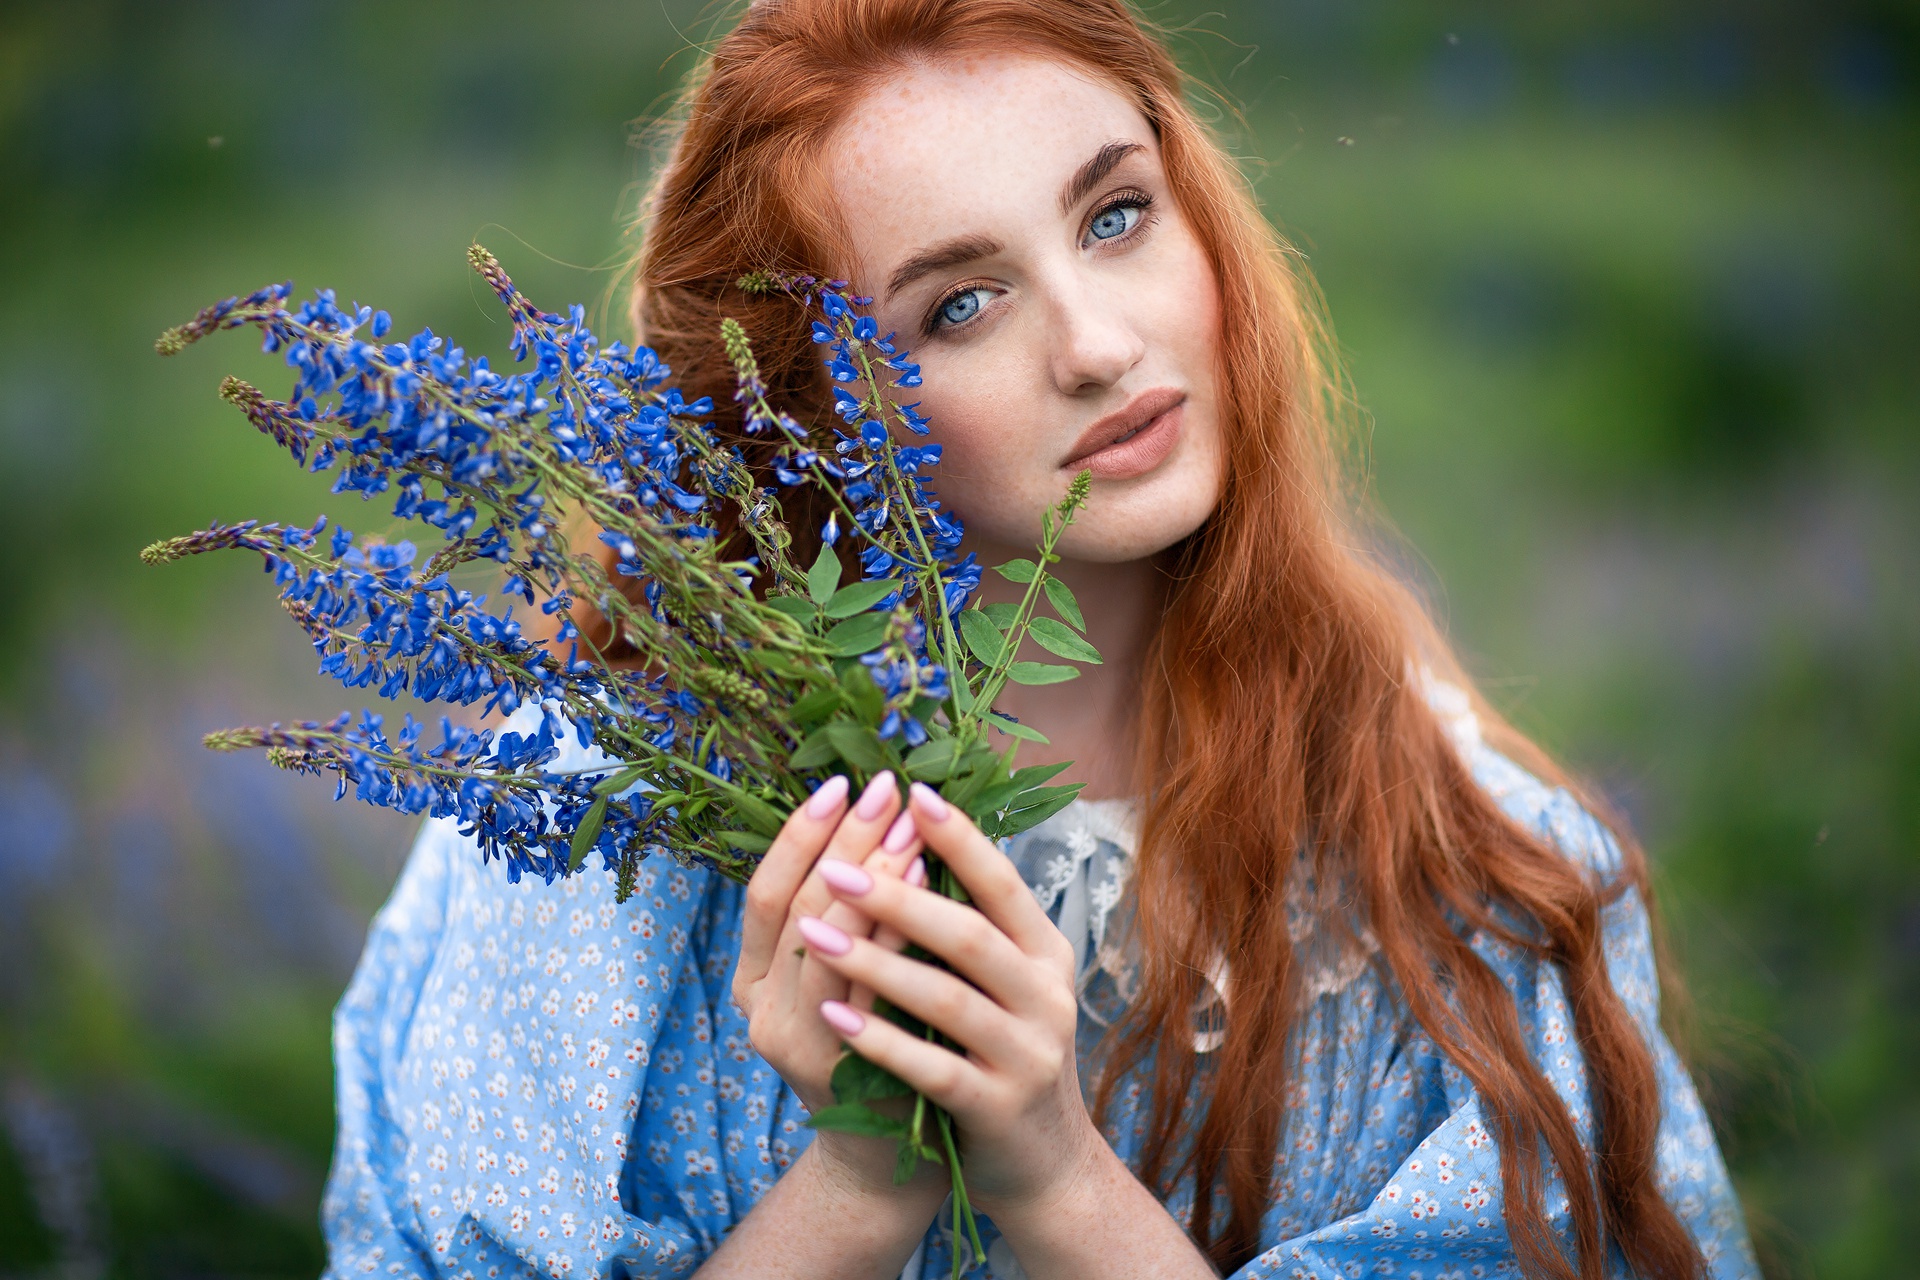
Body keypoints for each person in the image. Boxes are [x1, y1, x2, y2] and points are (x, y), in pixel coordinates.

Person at [320, 2, 1758, 1277]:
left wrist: (1059, 1181)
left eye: (1117, 215)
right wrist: (861, 1182)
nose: (1097, 341)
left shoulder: (1473, 870)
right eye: (960, 305)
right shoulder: (605, 833)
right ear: (811, 414)